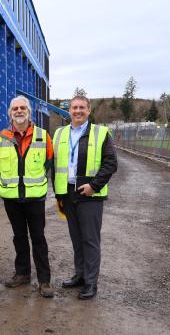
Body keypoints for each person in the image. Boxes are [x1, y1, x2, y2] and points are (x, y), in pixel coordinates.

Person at [52, 95, 117, 300]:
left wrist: (94, 186)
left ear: (89, 110)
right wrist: (58, 192)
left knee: (90, 240)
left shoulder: (101, 133)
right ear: (68, 111)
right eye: (74, 108)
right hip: (67, 193)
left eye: (82, 107)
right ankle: (79, 276)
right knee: (76, 238)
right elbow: (53, 164)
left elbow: (110, 164)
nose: (77, 111)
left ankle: (91, 283)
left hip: (90, 194)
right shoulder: (60, 133)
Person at [0, 95, 55, 298]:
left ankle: (44, 280)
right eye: (15, 108)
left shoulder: (42, 135)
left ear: (29, 112)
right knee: (19, 237)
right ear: (9, 113)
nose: (18, 111)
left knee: (38, 238)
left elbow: (48, 162)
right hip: (11, 198)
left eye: (22, 108)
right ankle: (22, 273)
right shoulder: (1, 137)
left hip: (35, 198)